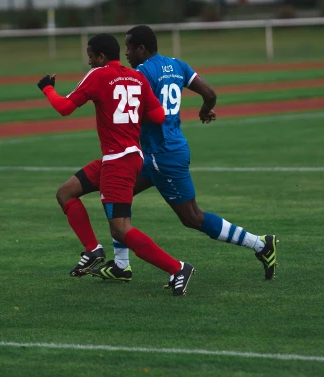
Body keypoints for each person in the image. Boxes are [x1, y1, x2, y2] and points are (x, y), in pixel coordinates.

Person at [87, 24, 277, 283]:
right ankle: (121, 265)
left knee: (192, 217)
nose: (127, 53)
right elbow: (210, 94)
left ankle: (260, 244)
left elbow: (135, 111)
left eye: (130, 47)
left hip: (162, 154)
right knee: (118, 198)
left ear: (141, 49)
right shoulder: (177, 65)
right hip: (155, 153)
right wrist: (205, 109)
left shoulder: (141, 73)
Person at [39, 33, 194, 296]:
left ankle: (177, 268)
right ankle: (92, 250)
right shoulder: (137, 77)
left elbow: (65, 108)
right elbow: (157, 115)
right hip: (128, 157)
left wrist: (47, 88)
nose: (89, 62)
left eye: (90, 57)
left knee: (121, 230)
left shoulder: (98, 75)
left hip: (117, 163)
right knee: (66, 192)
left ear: (100, 57)